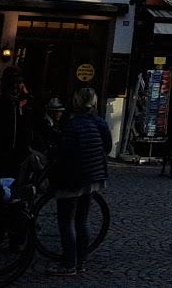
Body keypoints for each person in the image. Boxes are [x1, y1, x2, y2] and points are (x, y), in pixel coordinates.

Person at [48, 87, 111, 276]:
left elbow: (64, 152)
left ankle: (69, 263)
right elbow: (106, 147)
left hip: (73, 177)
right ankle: (81, 260)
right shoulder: (100, 123)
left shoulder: (72, 125)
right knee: (82, 220)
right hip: (93, 176)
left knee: (66, 220)